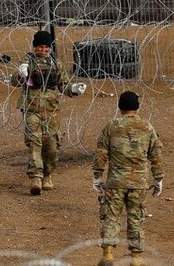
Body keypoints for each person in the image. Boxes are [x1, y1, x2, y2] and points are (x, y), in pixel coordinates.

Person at [92, 91, 164, 266]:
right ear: (137, 107)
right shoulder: (147, 127)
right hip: (139, 183)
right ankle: (136, 258)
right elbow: (156, 154)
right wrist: (158, 178)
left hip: (115, 181)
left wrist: (97, 175)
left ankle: (108, 253)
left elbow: (101, 152)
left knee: (111, 216)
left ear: (120, 107)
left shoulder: (111, 126)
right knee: (136, 218)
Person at [11, 30, 86, 195]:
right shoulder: (27, 62)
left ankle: (47, 174)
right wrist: (20, 75)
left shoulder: (55, 64)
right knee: (34, 143)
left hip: (51, 111)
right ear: (35, 46)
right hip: (32, 109)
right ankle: (36, 177)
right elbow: (14, 82)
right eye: (40, 47)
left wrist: (74, 89)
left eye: (46, 47)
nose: (43, 50)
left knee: (51, 146)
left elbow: (63, 85)